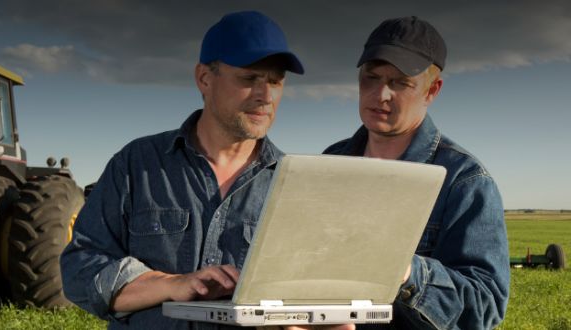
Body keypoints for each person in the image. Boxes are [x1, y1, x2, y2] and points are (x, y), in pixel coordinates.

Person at [60, 10, 320, 329]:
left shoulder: (296, 187)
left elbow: (310, 290)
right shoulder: (136, 164)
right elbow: (79, 269)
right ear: (204, 78)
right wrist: (172, 285)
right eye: (249, 78)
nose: (265, 96)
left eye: (275, 81)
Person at [323, 16, 510, 329]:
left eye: (399, 83)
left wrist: (406, 272)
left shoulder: (465, 181)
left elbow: (485, 307)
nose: (381, 94)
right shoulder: (330, 163)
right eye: (371, 78)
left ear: (431, 90)